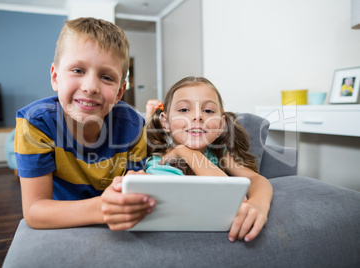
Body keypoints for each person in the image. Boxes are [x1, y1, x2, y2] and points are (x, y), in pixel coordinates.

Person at [15, 17, 155, 230]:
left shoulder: (134, 125)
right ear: (55, 77)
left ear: (119, 92)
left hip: (117, 223)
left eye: (106, 77)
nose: (90, 87)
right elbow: (34, 211)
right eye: (78, 70)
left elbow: (133, 184)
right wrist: (101, 208)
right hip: (63, 223)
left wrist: (132, 185)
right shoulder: (35, 122)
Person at [145, 76, 273, 242]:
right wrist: (186, 152)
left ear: (221, 125)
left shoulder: (218, 153)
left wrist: (258, 205)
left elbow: (256, 179)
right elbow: (228, 197)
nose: (197, 116)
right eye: (184, 110)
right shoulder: (158, 165)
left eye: (208, 111)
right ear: (165, 122)